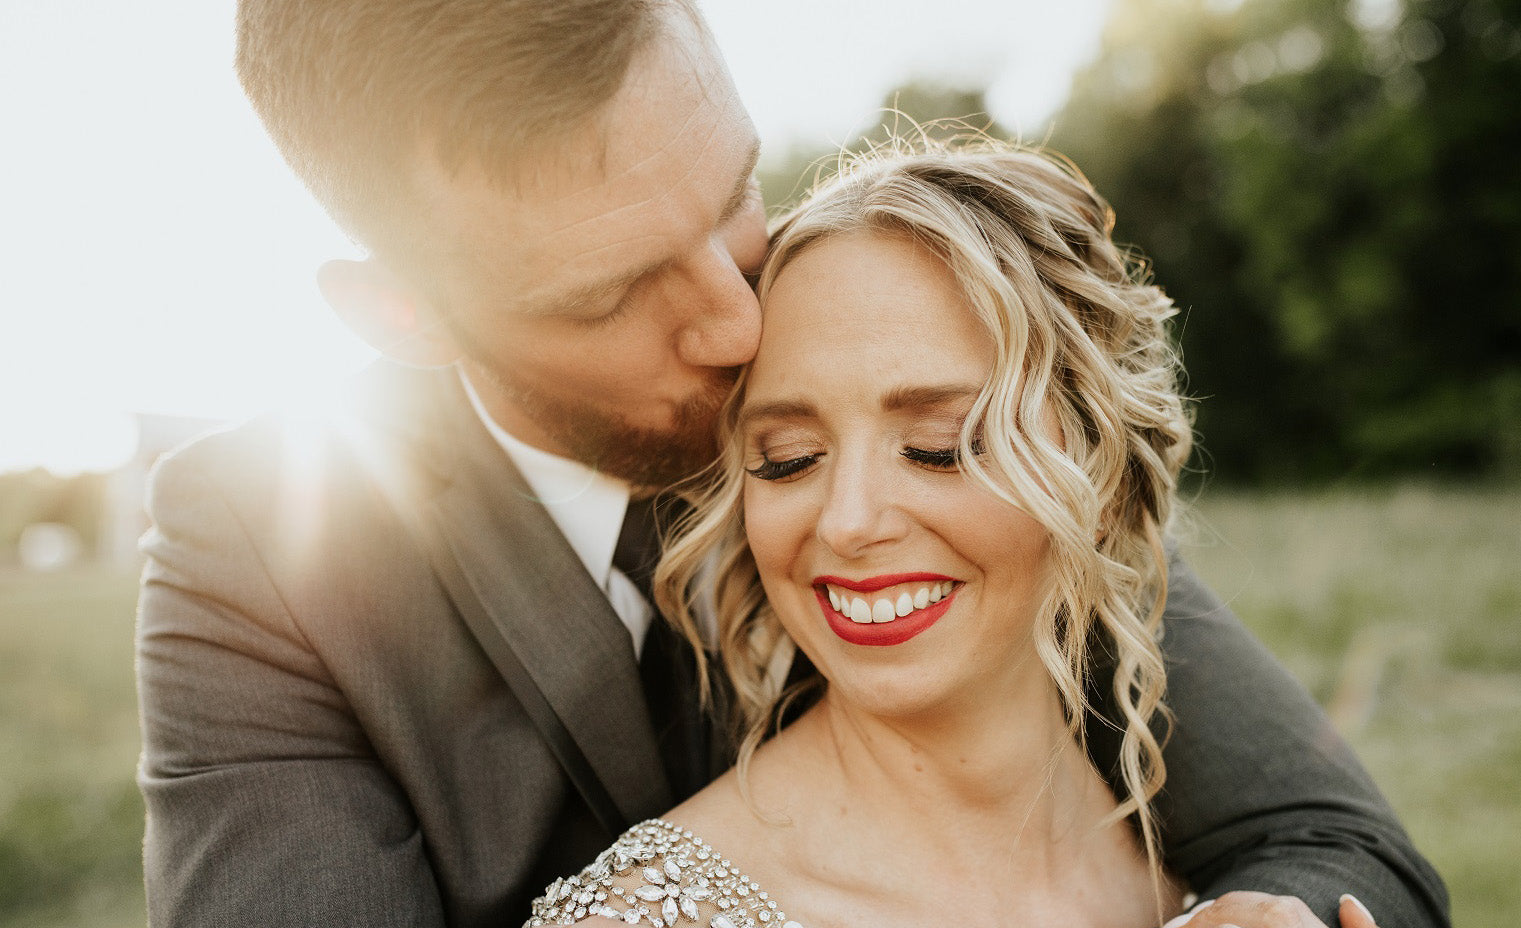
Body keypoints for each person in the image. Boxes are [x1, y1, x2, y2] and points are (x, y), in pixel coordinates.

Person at [134, 1, 1447, 926]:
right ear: (401, 314)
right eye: (613, 294)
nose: (739, 323)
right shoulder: (263, 545)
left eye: (730, 198)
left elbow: (1329, 839)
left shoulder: (876, 344)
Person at [521, 141, 1408, 928]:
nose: (850, 520)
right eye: (788, 458)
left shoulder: (1218, 884)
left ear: (1096, 474)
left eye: (940, 448)